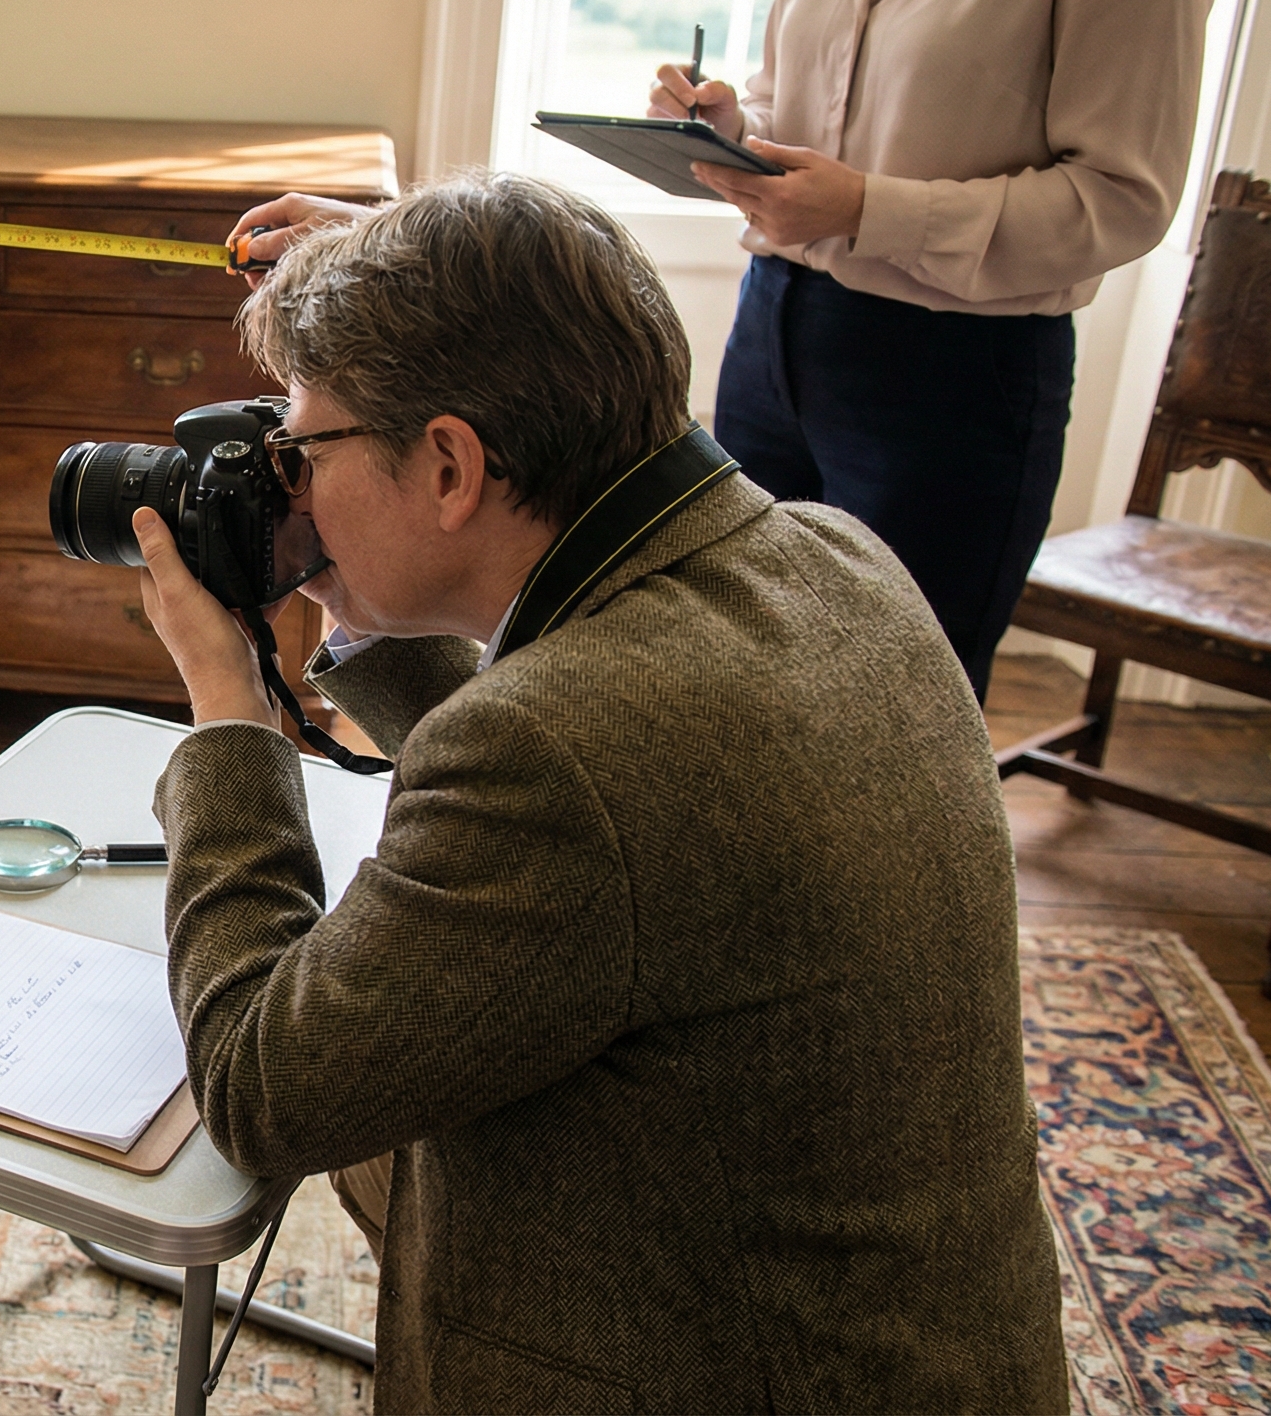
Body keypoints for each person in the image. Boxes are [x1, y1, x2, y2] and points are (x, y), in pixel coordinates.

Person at [135, 172, 1063, 1413]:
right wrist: (349, 572)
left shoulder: (560, 751)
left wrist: (228, 706)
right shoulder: (834, 558)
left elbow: (261, 1090)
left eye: (303, 446)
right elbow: (604, 792)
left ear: (452, 464)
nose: (289, 485)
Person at [647, 0, 1214, 698]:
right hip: (772, 329)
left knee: (896, 713)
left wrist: (870, 210)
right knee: (742, 683)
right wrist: (732, 132)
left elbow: (1122, 199)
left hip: (954, 378)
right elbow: (805, 103)